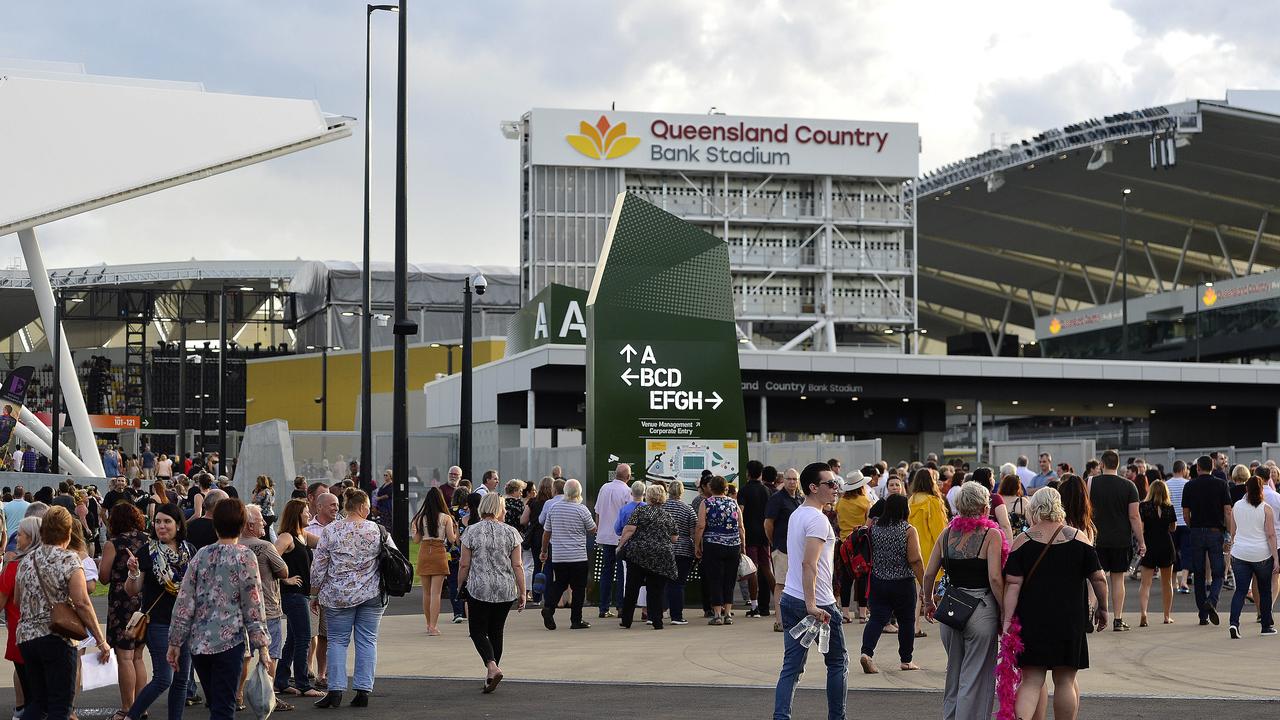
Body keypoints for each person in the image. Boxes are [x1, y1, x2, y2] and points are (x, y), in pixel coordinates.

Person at [1002, 488, 1108, 720]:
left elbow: (1012, 585)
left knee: (1031, 679)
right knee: (1065, 680)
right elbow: (1098, 577)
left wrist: (1007, 620)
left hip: (1032, 619)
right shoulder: (1079, 537)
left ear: (1035, 508)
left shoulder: (1023, 540)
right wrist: (1103, 607)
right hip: (1069, 618)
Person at [166, 499, 269, 720]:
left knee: (216, 704)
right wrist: (262, 646)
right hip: (230, 641)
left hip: (199, 643)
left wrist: (175, 642)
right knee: (224, 707)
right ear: (242, 525)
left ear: (215, 524)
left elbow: (184, 602)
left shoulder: (201, 555)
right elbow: (253, 604)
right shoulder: (245, 556)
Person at [16, 507, 112, 720]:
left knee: (39, 703)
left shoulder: (25, 561)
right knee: (61, 706)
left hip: (27, 638)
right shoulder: (69, 559)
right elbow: (82, 602)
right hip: (56, 636)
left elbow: (17, 599)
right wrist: (100, 639)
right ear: (68, 532)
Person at [922, 482, 1005, 720]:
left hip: (951, 607)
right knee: (976, 675)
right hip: (981, 606)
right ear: (982, 506)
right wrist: (1006, 612)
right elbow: (995, 579)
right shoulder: (992, 535)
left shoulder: (946, 533)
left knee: (954, 674)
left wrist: (928, 601)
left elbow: (929, 574)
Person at [773, 462, 846, 720]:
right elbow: (809, 564)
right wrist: (813, 605)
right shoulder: (817, 520)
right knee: (837, 662)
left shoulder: (798, 514)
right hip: (817, 603)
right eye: (830, 484)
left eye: (836, 483)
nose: (835, 488)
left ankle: (781, 717)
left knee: (791, 668)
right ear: (814, 488)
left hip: (792, 598)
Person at [311, 490, 388, 708]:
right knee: (367, 640)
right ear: (363, 506)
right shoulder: (377, 530)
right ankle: (363, 690)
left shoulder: (331, 530)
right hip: (371, 593)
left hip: (338, 595)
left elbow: (319, 566)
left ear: (346, 506)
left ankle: (335, 690)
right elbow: (392, 556)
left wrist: (314, 593)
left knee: (337, 641)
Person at [120, 504, 194, 720]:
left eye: (167, 521)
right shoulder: (147, 552)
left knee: (181, 680)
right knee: (164, 678)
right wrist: (133, 573)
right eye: (158, 521)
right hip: (159, 623)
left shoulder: (190, 551)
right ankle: (130, 716)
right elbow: (132, 590)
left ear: (178, 524)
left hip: (184, 623)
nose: (161, 526)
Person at [457, 493, 525, 693]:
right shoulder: (512, 533)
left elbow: (464, 564)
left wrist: (461, 585)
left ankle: (491, 666)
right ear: (499, 509)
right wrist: (522, 591)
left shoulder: (471, 532)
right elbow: (518, 565)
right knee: (496, 630)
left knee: (477, 630)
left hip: (479, 587)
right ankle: (491, 672)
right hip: (505, 588)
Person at [859, 494, 924, 673]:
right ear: (905, 510)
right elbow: (915, 559)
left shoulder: (875, 528)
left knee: (877, 619)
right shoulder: (908, 530)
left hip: (878, 581)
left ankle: (867, 653)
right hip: (903, 583)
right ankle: (906, 660)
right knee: (906, 621)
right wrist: (925, 584)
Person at [238, 505, 290, 710]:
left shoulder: (234, 545)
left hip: (240, 610)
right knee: (270, 654)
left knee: (244, 656)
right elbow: (283, 571)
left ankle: (238, 695)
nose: (264, 523)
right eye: (261, 520)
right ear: (250, 525)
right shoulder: (265, 546)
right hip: (267, 607)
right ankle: (267, 698)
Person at [100, 501, 150, 715]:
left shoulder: (114, 543)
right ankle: (141, 706)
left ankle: (127, 707)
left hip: (122, 603)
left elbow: (103, 578)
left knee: (125, 657)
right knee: (138, 656)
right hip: (144, 601)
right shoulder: (147, 539)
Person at [1088, 449, 1144, 631]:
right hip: (1121, 539)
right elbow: (1134, 517)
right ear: (1118, 465)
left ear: (1102, 464)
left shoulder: (1090, 483)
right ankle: (1118, 619)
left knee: (1096, 578)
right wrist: (1141, 541)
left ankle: (1089, 614)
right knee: (1118, 579)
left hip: (1096, 539)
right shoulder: (1129, 486)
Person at [272, 499, 322, 697]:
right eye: (306, 512)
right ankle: (303, 683)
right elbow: (272, 556)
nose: (309, 515)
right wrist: (286, 579)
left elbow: (325, 543)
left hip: (301, 595)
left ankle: (282, 681)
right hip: (293, 596)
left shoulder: (303, 536)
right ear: (296, 515)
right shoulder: (287, 537)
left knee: (293, 640)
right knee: (303, 639)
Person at [1182, 455, 1233, 626]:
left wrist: (1192, 526)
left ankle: (1202, 614)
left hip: (1196, 531)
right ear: (1212, 467)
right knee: (1218, 572)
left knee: (1199, 572)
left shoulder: (1189, 486)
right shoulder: (1221, 484)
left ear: (1197, 468)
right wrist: (1228, 532)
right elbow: (1227, 510)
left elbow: (1185, 513)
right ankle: (1212, 600)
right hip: (1215, 531)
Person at [618, 484, 677, 630]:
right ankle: (657, 621)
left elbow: (629, 530)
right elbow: (674, 538)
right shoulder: (667, 515)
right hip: (661, 556)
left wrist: (620, 546)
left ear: (648, 496)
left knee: (632, 588)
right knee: (656, 590)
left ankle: (626, 620)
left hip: (638, 554)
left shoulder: (641, 511)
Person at [540, 479, 596, 630]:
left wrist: (544, 550)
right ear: (579, 492)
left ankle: (549, 608)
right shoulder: (582, 509)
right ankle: (576, 620)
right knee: (578, 588)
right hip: (578, 556)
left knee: (560, 584)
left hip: (559, 556)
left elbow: (547, 532)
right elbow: (592, 529)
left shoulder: (554, 508)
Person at [0, 516, 41, 720]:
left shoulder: (14, 567)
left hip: (21, 638)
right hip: (47, 637)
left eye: (22, 534)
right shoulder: (49, 562)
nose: (17, 538)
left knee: (34, 697)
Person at [1228, 473, 1277, 637]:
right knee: (1264, 591)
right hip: (1261, 554)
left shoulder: (1236, 506)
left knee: (1240, 591)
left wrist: (1232, 549)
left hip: (1240, 553)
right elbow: (1271, 535)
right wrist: (1276, 558)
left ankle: (1234, 623)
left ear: (1246, 489)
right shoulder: (1266, 509)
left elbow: (1233, 532)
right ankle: (1266, 625)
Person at [695, 475, 745, 626]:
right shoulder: (733, 503)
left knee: (715, 579)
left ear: (710, 488)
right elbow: (741, 527)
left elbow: (701, 526)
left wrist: (697, 545)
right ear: (726, 488)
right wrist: (743, 546)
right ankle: (728, 613)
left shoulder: (706, 503)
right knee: (729, 580)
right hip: (733, 545)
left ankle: (717, 614)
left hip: (713, 545)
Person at [411, 487, 457, 636]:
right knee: (436, 593)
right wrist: (457, 532)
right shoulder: (446, 518)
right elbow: (451, 539)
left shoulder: (420, 518)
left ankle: (427, 624)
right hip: (438, 552)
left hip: (424, 551)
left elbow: (416, 540)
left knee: (426, 593)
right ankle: (433, 626)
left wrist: (415, 531)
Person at [592, 464, 634, 619]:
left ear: (615, 474)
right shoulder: (627, 491)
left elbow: (597, 512)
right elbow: (629, 516)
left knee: (606, 572)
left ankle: (603, 607)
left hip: (604, 536)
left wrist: (599, 530)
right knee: (622, 572)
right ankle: (621, 606)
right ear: (628, 477)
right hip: (620, 537)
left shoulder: (604, 488)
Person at [764, 468, 803, 632]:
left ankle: (795, 617)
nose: (792, 482)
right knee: (781, 583)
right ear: (783, 480)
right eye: (789, 479)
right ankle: (780, 620)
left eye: (795, 479)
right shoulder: (777, 499)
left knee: (797, 584)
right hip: (782, 548)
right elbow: (768, 524)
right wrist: (774, 542)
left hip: (798, 549)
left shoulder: (800, 499)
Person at [1137, 480, 1177, 627]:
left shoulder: (1144, 507)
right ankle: (1167, 616)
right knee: (1167, 583)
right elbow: (1173, 528)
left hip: (1149, 545)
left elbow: (1141, 529)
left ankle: (1144, 613)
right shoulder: (1169, 507)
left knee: (1145, 583)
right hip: (1166, 546)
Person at [740, 460, 775, 618]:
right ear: (761, 473)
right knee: (767, 568)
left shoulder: (744, 491)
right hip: (764, 534)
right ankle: (780, 602)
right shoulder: (767, 491)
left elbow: (740, 512)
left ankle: (754, 606)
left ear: (748, 473)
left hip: (749, 534)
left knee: (752, 570)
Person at [834, 472, 871, 622]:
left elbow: (837, 521)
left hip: (844, 544)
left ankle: (845, 613)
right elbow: (868, 522)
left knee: (846, 579)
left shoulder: (840, 503)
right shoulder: (865, 502)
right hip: (860, 543)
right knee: (862, 577)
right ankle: (862, 614)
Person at [1164, 460, 1192, 594]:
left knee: (1172, 553)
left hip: (1171, 524)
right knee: (1187, 552)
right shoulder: (1188, 484)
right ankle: (1184, 580)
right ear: (1183, 469)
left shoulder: (1166, 485)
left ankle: (1173, 581)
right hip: (1185, 523)